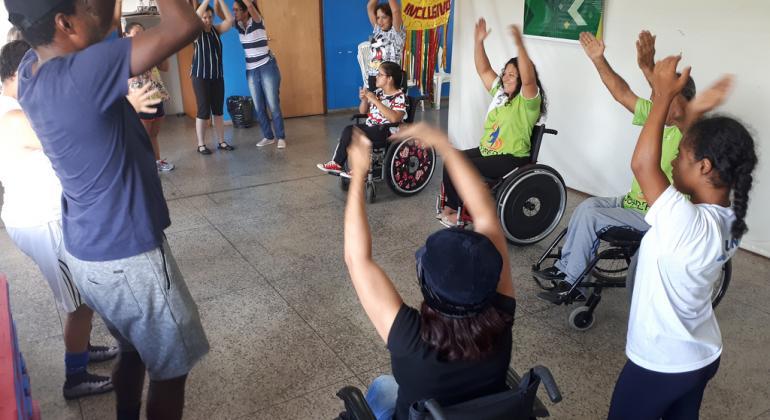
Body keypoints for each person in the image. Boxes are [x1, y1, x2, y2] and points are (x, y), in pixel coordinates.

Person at [7, 0, 210, 418]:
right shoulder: (83, 72)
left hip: (89, 250)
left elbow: (99, 27)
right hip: (129, 254)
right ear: (64, 23)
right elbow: (185, 24)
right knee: (171, 370)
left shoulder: (31, 67)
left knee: (133, 350)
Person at [607, 56, 756, 419]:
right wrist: (691, 105)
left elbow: (643, 165)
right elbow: (687, 149)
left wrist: (661, 97)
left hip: (661, 364)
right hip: (702, 355)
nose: (671, 161)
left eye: (680, 157)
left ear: (704, 167)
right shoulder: (727, 217)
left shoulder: (687, 224)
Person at [343, 122, 517, 420]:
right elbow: (486, 213)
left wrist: (358, 174)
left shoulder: (412, 341)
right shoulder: (501, 313)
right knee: (387, 387)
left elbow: (356, 259)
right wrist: (445, 146)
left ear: (427, 287)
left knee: (382, 388)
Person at [533, 31, 707, 301]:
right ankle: (567, 269)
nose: (655, 102)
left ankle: (572, 284)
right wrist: (598, 60)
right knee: (586, 206)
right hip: (632, 203)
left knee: (592, 218)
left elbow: (681, 112)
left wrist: (649, 69)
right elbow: (621, 92)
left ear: (680, 99)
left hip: (657, 214)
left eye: (662, 96)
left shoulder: (693, 131)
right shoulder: (655, 115)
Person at [0, 39, 118, 401]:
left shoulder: (15, 105)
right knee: (77, 302)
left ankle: (82, 347)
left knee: (78, 293)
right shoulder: (14, 116)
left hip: (39, 216)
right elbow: (66, 135)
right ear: (21, 73)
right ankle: (75, 376)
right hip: (41, 220)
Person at [438, 19, 546, 227]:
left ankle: (462, 212)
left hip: (512, 157)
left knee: (464, 166)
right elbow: (484, 70)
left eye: (512, 75)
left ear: (522, 78)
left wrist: (520, 46)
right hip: (488, 150)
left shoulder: (528, 102)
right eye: (505, 72)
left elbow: (530, 79)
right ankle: (452, 208)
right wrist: (478, 43)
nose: (505, 77)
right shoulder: (500, 94)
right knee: (452, 158)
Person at [316, 61, 406, 177]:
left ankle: (360, 169)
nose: (376, 77)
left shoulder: (399, 96)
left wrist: (375, 100)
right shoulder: (378, 93)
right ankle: (337, 164)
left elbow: (395, 118)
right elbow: (363, 111)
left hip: (386, 131)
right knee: (349, 129)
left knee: (358, 134)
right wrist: (364, 99)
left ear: (389, 79)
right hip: (371, 127)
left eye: (380, 74)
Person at [233, 0, 287, 149]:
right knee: (259, 106)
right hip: (251, 70)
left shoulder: (257, 21)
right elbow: (221, 14)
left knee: (273, 104)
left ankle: (281, 137)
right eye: (234, 10)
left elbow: (250, 5)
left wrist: (248, 4)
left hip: (266, 67)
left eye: (237, 10)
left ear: (245, 12)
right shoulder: (238, 25)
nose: (234, 12)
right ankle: (268, 136)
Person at [126, 22, 174, 172]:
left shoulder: (151, 49)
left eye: (142, 33)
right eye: (135, 34)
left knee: (154, 134)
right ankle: (143, 167)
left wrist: (162, 50)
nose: (140, 37)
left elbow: (165, 68)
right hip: (140, 98)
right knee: (143, 136)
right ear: (127, 36)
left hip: (156, 94)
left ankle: (156, 162)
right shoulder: (125, 53)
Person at [192, 0, 235, 155]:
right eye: (205, 17)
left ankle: (221, 142)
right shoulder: (195, 33)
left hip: (217, 76)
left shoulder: (216, 30)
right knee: (203, 111)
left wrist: (220, 1)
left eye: (210, 17)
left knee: (218, 111)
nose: (208, 20)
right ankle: (201, 144)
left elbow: (230, 20)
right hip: (200, 77)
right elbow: (195, 17)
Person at [365, 0, 405, 92]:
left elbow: (396, 11)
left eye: (384, 17)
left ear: (391, 18)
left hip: (390, 77)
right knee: (374, 106)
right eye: (378, 17)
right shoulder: (378, 30)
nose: (380, 21)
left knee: (388, 105)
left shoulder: (397, 32)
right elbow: (370, 7)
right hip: (374, 75)